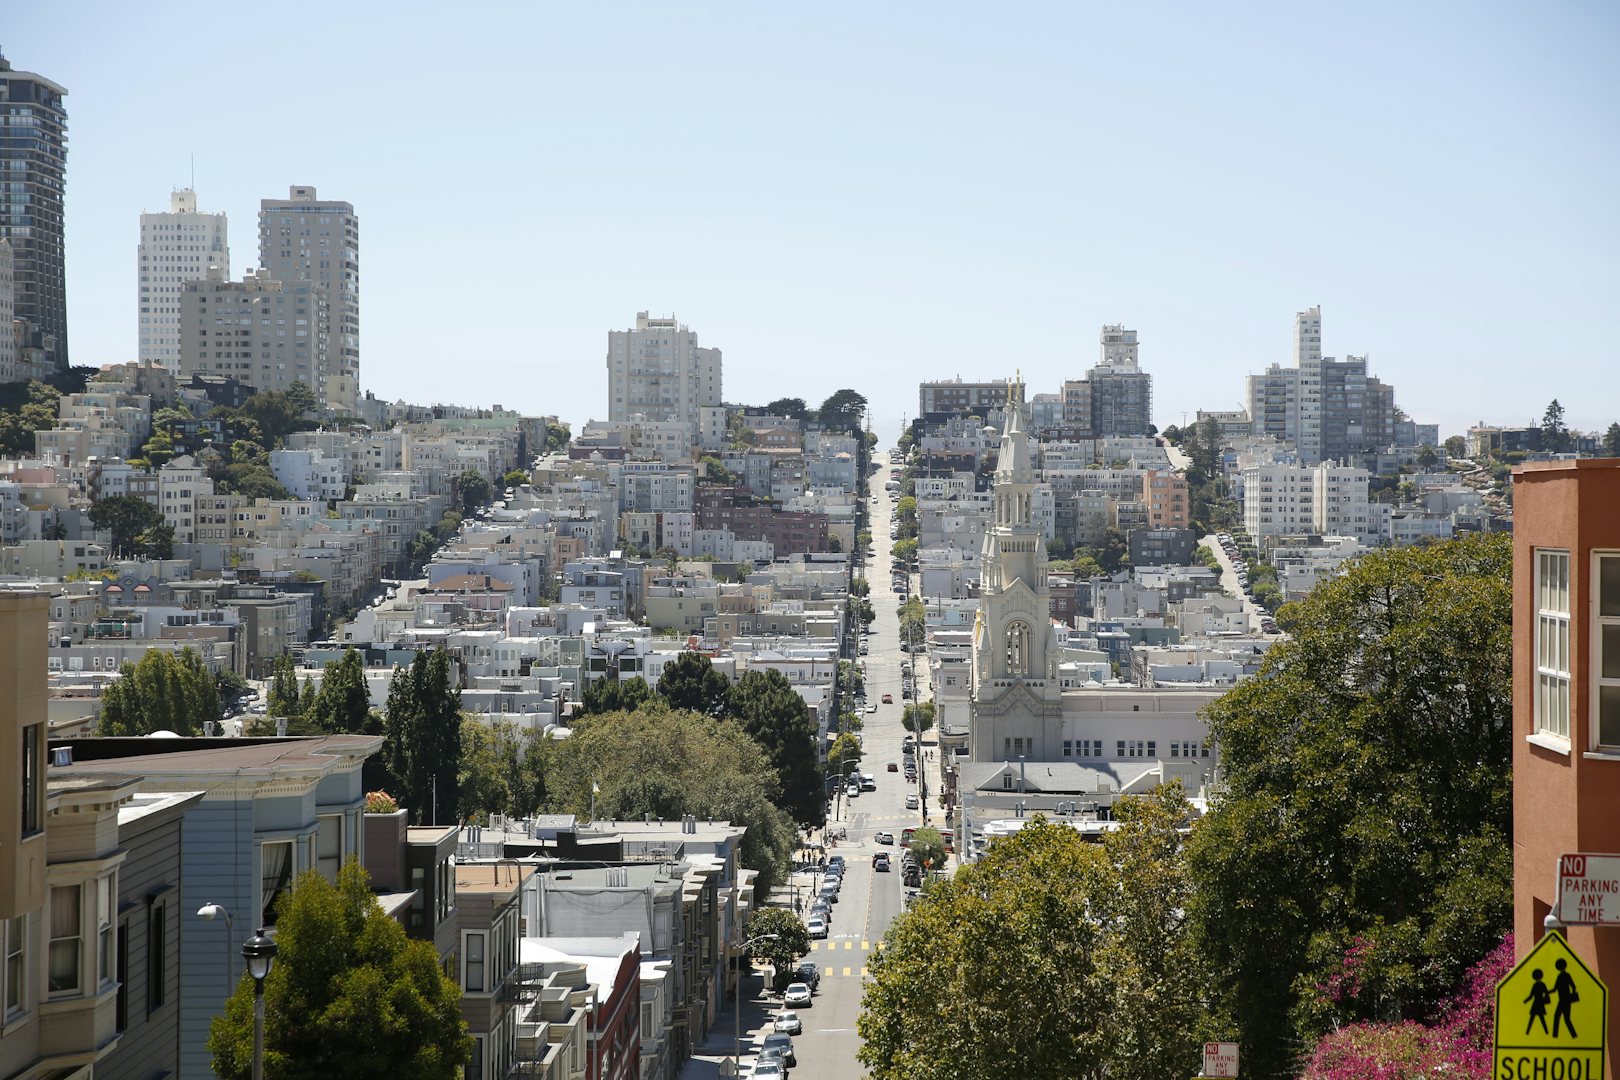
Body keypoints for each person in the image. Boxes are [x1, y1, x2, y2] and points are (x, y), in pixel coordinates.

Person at [1552, 958, 1579, 1038]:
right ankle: (1572, 1035)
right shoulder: (1564, 976)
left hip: (1564, 1000)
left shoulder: (1562, 976)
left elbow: (1555, 989)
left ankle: (1556, 1036)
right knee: (1564, 1018)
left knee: (1561, 1017)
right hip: (1565, 1000)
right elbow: (1573, 987)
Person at [1524, 968, 1551, 1035]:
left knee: (1532, 1018)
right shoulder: (1542, 984)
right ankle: (1546, 1032)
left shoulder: (1535, 985)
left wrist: (1524, 1001)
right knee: (1541, 1018)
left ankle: (1527, 1032)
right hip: (1540, 1003)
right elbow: (1546, 993)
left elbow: (1531, 996)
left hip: (1536, 1003)